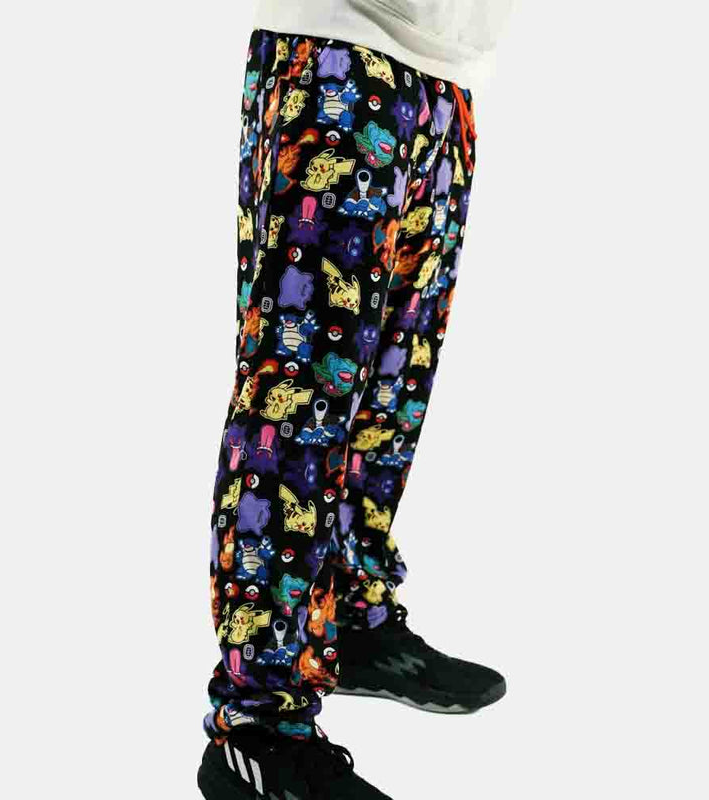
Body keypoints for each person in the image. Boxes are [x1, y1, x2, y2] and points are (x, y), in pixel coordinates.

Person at [198, 2, 513, 797]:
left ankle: (347, 618)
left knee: (389, 396)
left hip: (448, 73)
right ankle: (258, 728)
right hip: (339, 48)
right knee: (296, 401)